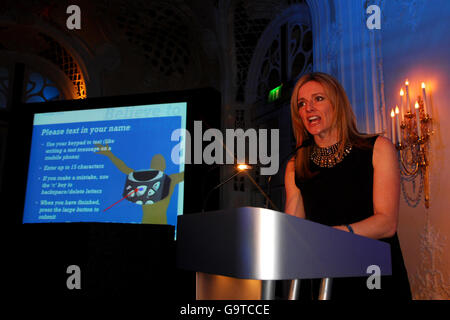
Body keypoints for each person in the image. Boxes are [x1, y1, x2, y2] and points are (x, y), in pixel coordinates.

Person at [284, 72, 411, 300]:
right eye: (302, 104)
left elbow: (386, 223)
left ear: (337, 104)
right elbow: (295, 230)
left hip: (373, 274)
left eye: (318, 99)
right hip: (323, 279)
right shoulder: (296, 165)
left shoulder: (377, 149)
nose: (308, 108)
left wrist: (334, 236)